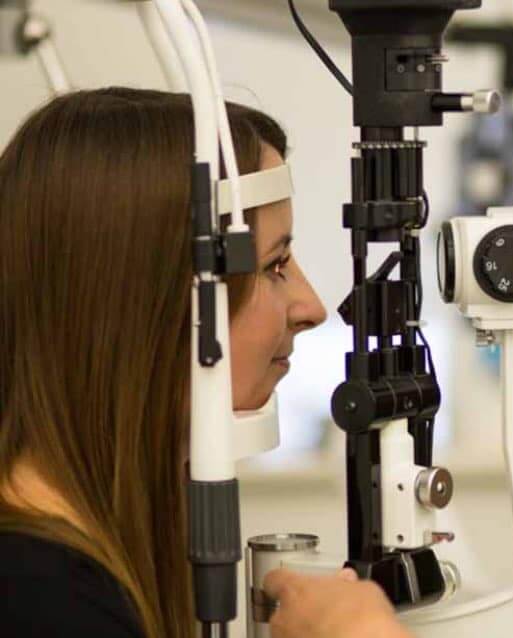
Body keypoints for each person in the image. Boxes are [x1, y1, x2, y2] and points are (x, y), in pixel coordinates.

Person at [0, 88, 412, 638]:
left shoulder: (78, 569)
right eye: (275, 264)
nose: (312, 307)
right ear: (148, 299)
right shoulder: (39, 604)